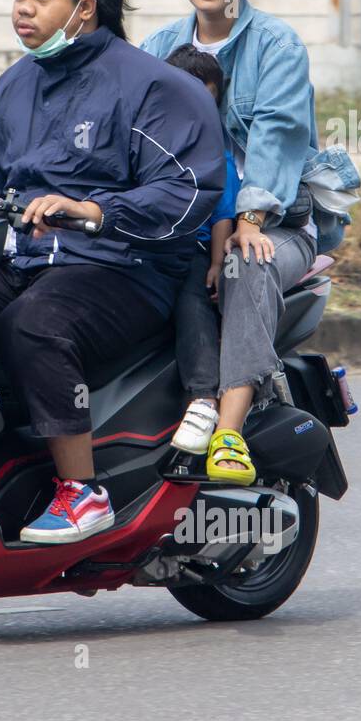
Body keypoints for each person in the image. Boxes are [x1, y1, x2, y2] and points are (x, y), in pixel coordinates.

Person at [0, 0, 224, 543]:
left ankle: (81, 493)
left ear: (84, 8)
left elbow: (188, 191)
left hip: (126, 270)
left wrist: (92, 211)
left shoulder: (153, 89)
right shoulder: (16, 84)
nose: (22, 11)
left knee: (31, 325)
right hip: (28, 261)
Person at [141, 0, 348, 484]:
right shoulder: (157, 47)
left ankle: (227, 429)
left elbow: (279, 136)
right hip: (188, 220)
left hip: (277, 224)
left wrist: (250, 218)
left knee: (243, 262)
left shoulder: (276, 45)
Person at [158, 45, 243, 456]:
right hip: (147, 250)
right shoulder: (148, 143)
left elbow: (223, 215)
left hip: (191, 251)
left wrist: (214, 263)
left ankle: (204, 397)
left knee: (192, 301)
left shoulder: (216, 155)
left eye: (206, 103)